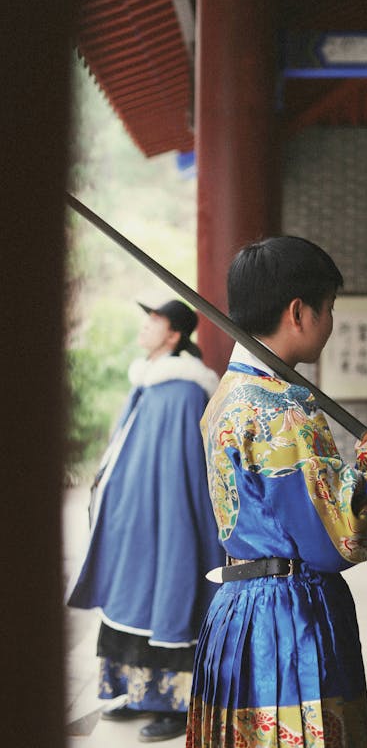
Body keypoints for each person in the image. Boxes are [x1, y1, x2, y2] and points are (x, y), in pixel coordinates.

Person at [186, 237, 367, 748]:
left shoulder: (228, 396)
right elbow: (334, 539)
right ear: (299, 312)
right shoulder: (282, 411)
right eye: (329, 308)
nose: (331, 324)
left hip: (237, 614)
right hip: (288, 623)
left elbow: (296, 512)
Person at [67, 299, 225, 742]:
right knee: (131, 604)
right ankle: (137, 692)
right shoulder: (150, 382)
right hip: (134, 521)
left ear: (174, 334)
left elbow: (182, 472)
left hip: (166, 521)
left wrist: (173, 526)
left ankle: (177, 705)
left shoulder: (183, 390)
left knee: (168, 604)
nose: (146, 326)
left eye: (154, 320)